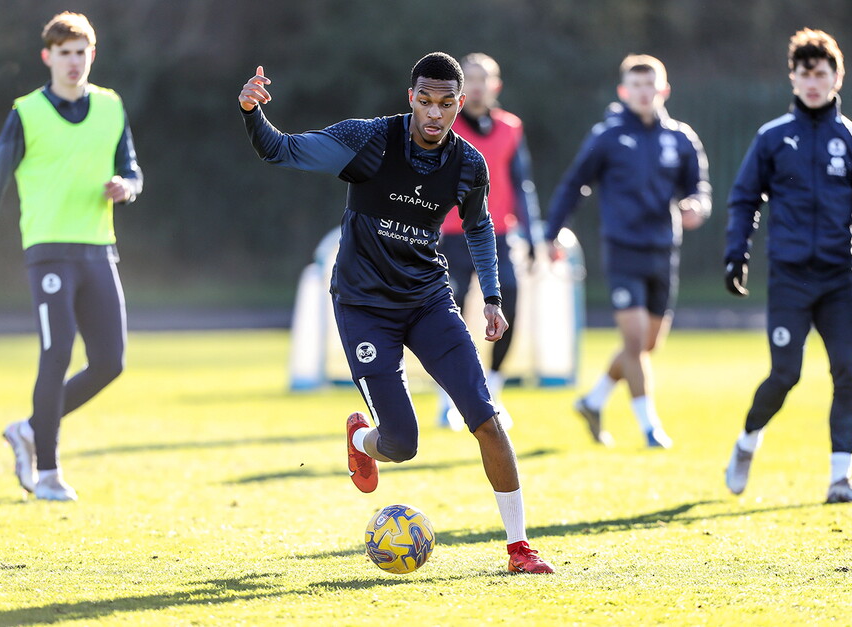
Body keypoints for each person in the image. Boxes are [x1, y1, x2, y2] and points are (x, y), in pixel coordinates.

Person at [238, 52, 553, 574]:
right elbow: (281, 150)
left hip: (429, 301)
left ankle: (520, 548)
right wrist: (252, 112)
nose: (435, 113)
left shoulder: (468, 163)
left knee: (487, 420)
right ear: (411, 98)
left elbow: (478, 229)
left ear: (460, 103)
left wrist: (493, 299)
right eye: (425, 101)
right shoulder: (369, 140)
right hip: (364, 308)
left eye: (446, 103)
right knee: (402, 444)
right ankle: (362, 438)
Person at [0, 12, 143, 501]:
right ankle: (47, 472)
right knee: (56, 351)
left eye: (82, 52)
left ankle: (27, 429)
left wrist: (127, 187)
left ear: (92, 55)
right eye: (64, 53)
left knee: (111, 362)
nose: (74, 62)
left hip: (99, 250)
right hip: (48, 253)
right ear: (48, 57)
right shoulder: (26, 112)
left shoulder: (111, 107)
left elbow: (132, 170)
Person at [723, 29, 852, 503]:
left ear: (837, 77)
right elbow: (744, 198)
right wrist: (737, 253)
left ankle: (841, 478)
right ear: (792, 78)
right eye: (804, 73)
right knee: (785, 375)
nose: (812, 82)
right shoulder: (773, 138)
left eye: (821, 73)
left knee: (846, 372)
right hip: (790, 277)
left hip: (840, 278)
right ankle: (747, 442)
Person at [544, 54, 711, 448]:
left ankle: (593, 399)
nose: (643, 92)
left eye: (650, 84)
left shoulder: (681, 137)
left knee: (649, 344)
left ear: (663, 90)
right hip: (623, 250)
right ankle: (650, 427)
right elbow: (574, 184)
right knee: (635, 342)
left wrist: (696, 207)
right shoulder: (608, 135)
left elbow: (698, 188)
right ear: (623, 91)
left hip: (663, 250)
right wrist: (553, 232)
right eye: (635, 85)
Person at [435, 52, 540, 431]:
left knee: (509, 304)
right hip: (448, 236)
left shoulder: (511, 127)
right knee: (450, 319)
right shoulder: (444, 124)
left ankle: (492, 391)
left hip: (497, 235)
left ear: (496, 85)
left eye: (485, 78)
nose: (478, 85)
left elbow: (521, 184)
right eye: (471, 78)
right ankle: (447, 399)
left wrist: (532, 234)